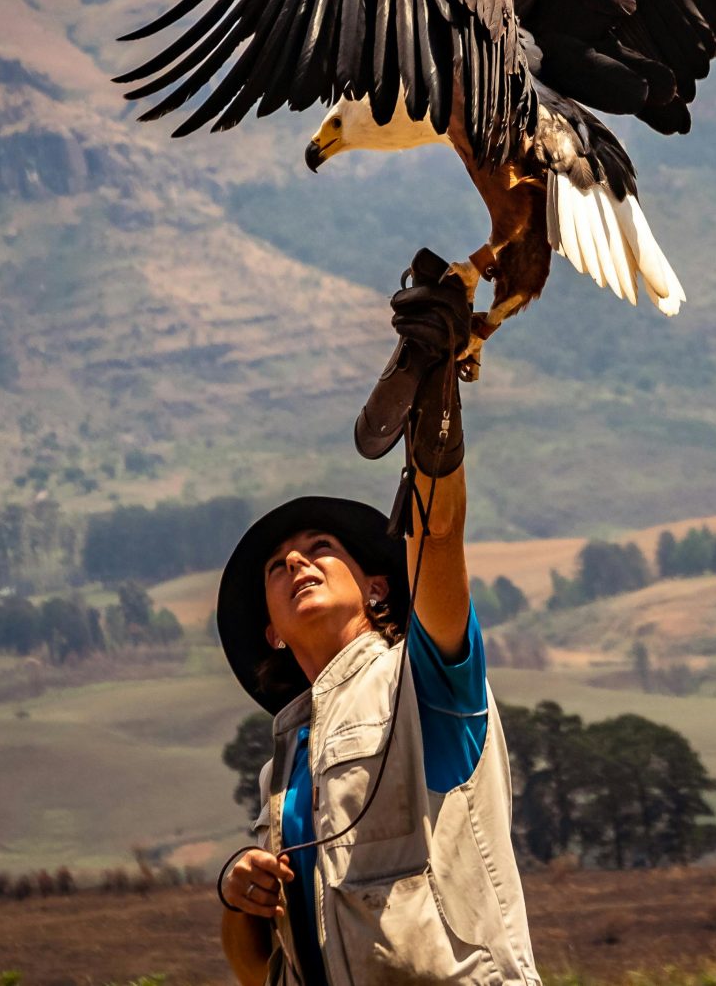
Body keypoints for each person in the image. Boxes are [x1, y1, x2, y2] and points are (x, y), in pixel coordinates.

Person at [214, 254, 541, 986]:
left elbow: (439, 539)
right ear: (270, 629)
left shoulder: (422, 681)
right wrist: (238, 890)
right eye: (278, 566)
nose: (297, 562)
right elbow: (256, 970)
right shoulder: (284, 763)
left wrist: (434, 394)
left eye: (319, 548)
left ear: (379, 591)